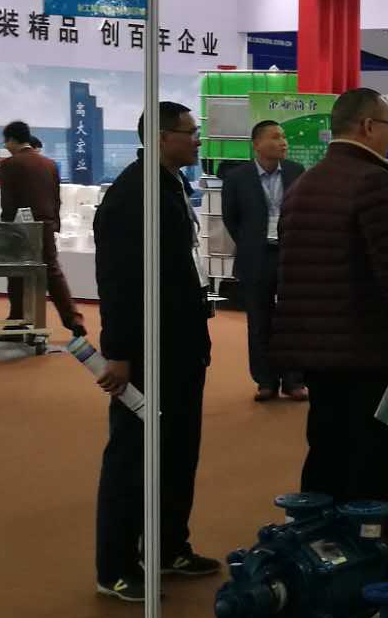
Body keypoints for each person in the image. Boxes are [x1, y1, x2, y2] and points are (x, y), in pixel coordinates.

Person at [271, 88, 388, 506]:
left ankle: (318, 533)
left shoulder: (303, 184)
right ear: (367, 126)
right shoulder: (374, 182)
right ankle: (367, 537)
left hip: (314, 348)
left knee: (325, 449)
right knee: (372, 457)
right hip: (367, 347)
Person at [93, 102, 219, 602]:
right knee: (132, 457)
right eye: (191, 132)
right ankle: (115, 567)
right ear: (163, 137)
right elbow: (118, 281)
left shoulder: (171, 186)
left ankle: (167, 548)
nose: (198, 140)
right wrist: (119, 352)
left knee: (178, 450)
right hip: (145, 350)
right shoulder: (133, 194)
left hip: (180, 345)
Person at [222, 120, 306, 402]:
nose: (283, 142)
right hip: (256, 257)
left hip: (290, 254)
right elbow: (231, 219)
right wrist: (252, 243)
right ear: (257, 144)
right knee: (259, 320)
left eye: (284, 136)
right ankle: (265, 380)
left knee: (293, 319)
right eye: (275, 137)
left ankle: (294, 380)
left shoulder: (296, 171)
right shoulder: (237, 178)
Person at [1, 120, 85, 338]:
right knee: (52, 272)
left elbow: (8, 202)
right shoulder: (49, 164)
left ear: (12, 139)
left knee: (16, 273)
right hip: (45, 226)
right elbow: (57, 198)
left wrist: (6, 227)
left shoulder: (10, 165)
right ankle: (73, 318)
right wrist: (54, 224)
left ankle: (17, 318)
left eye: (6, 141)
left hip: (20, 228)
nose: (6, 146)